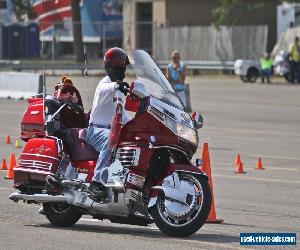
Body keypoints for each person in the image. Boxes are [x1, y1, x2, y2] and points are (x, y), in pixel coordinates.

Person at [86, 47, 130, 201]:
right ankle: (96, 183)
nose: (123, 69)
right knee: (111, 140)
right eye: (121, 66)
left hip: (111, 130)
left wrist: (137, 124)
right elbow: (105, 89)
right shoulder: (105, 85)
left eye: (124, 66)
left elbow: (121, 114)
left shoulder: (119, 90)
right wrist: (116, 86)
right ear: (111, 67)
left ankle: (118, 183)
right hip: (95, 130)